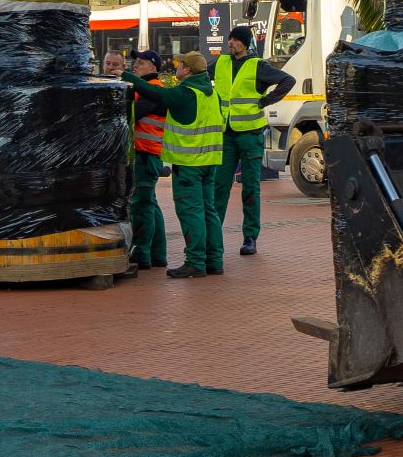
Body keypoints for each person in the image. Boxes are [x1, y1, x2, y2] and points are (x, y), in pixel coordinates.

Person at [210, 26, 294, 258]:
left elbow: (288, 80)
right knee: (220, 185)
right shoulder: (221, 63)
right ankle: (212, 234)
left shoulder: (258, 65)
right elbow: (201, 79)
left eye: (236, 40)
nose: (231, 43)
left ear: (246, 44)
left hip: (250, 135)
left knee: (250, 187)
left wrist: (266, 101)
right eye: (230, 39)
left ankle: (250, 237)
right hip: (227, 133)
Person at [151, 51, 224, 279]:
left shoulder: (185, 93)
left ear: (187, 70)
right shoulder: (212, 94)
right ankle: (215, 261)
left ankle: (195, 262)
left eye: (179, 64)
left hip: (189, 164)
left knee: (191, 212)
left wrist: (129, 78)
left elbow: (158, 95)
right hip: (209, 162)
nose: (176, 67)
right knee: (208, 211)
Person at [120, 50, 169, 271]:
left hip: (146, 153)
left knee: (142, 205)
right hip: (148, 153)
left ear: (154, 68)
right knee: (151, 204)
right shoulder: (146, 89)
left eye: (141, 62)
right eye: (135, 62)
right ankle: (158, 254)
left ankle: (142, 253)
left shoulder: (152, 90)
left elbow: (130, 114)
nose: (136, 65)